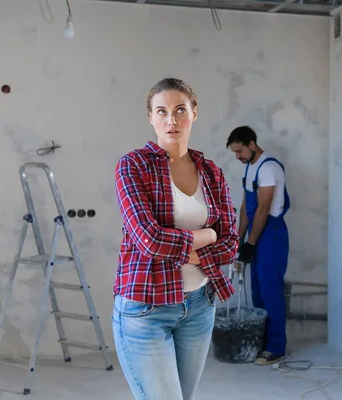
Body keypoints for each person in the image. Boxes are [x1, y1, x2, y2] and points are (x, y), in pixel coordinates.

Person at [113, 78, 239, 400]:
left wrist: (202, 242)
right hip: (146, 307)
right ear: (151, 117)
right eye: (162, 111)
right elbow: (149, 239)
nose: (172, 120)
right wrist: (205, 236)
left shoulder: (211, 171)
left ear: (194, 113)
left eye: (180, 110)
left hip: (199, 306)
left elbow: (230, 243)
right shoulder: (132, 166)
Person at [226, 126, 291, 365]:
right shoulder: (250, 167)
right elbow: (246, 208)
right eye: (234, 152)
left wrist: (251, 242)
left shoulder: (269, 167)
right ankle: (261, 342)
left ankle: (276, 348)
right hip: (256, 232)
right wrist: (239, 238)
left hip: (271, 234)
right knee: (257, 291)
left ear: (252, 144)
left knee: (271, 291)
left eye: (240, 150)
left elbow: (263, 209)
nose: (238, 156)